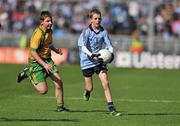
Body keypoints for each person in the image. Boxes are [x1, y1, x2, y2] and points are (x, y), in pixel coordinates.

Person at [16, 10, 69, 112]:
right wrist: (44, 65)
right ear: (42, 23)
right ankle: (28, 72)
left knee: (59, 81)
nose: (51, 23)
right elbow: (33, 53)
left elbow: (48, 44)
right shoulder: (37, 35)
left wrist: (55, 50)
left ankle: (60, 108)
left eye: (51, 21)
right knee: (43, 91)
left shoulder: (49, 31)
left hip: (47, 60)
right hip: (36, 62)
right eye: (48, 21)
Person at [78, 8, 120, 116]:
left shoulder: (103, 32)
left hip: (99, 61)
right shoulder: (86, 32)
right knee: (89, 87)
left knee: (105, 82)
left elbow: (109, 46)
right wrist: (91, 55)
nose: (98, 20)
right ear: (91, 20)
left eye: (99, 18)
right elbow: (82, 47)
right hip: (86, 61)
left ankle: (111, 108)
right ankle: (87, 92)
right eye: (95, 18)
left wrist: (110, 54)